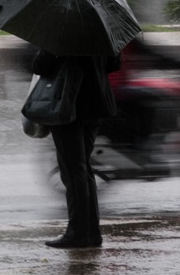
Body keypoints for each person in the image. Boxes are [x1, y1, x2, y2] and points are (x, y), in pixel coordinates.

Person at [31, 49, 120, 248]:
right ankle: (91, 232)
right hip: (96, 103)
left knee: (73, 172)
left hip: (68, 105)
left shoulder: (63, 32)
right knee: (84, 168)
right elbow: (114, 63)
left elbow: (40, 66)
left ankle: (78, 233)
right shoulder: (100, 30)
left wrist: (44, 51)